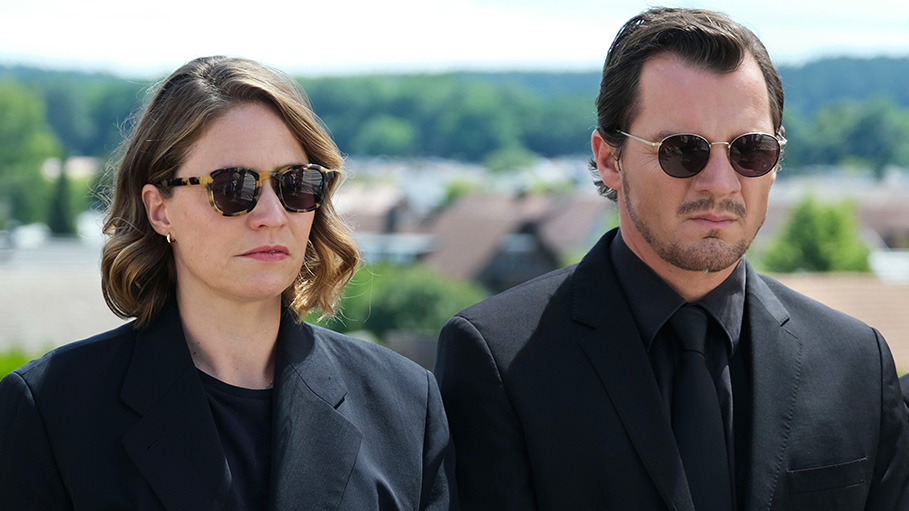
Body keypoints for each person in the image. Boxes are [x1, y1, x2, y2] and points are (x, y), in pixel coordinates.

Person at [434, 7, 909, 510]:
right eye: (683, 150)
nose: (721, 182)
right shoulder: (498, 360)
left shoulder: (856, 362)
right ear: (610, 159)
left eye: (750, 150)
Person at [0, 56, 456, 510]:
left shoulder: (406, 404)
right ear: (160, 210)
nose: (272, 216)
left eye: (296, 184)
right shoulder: (50, 411)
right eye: (234, 187)